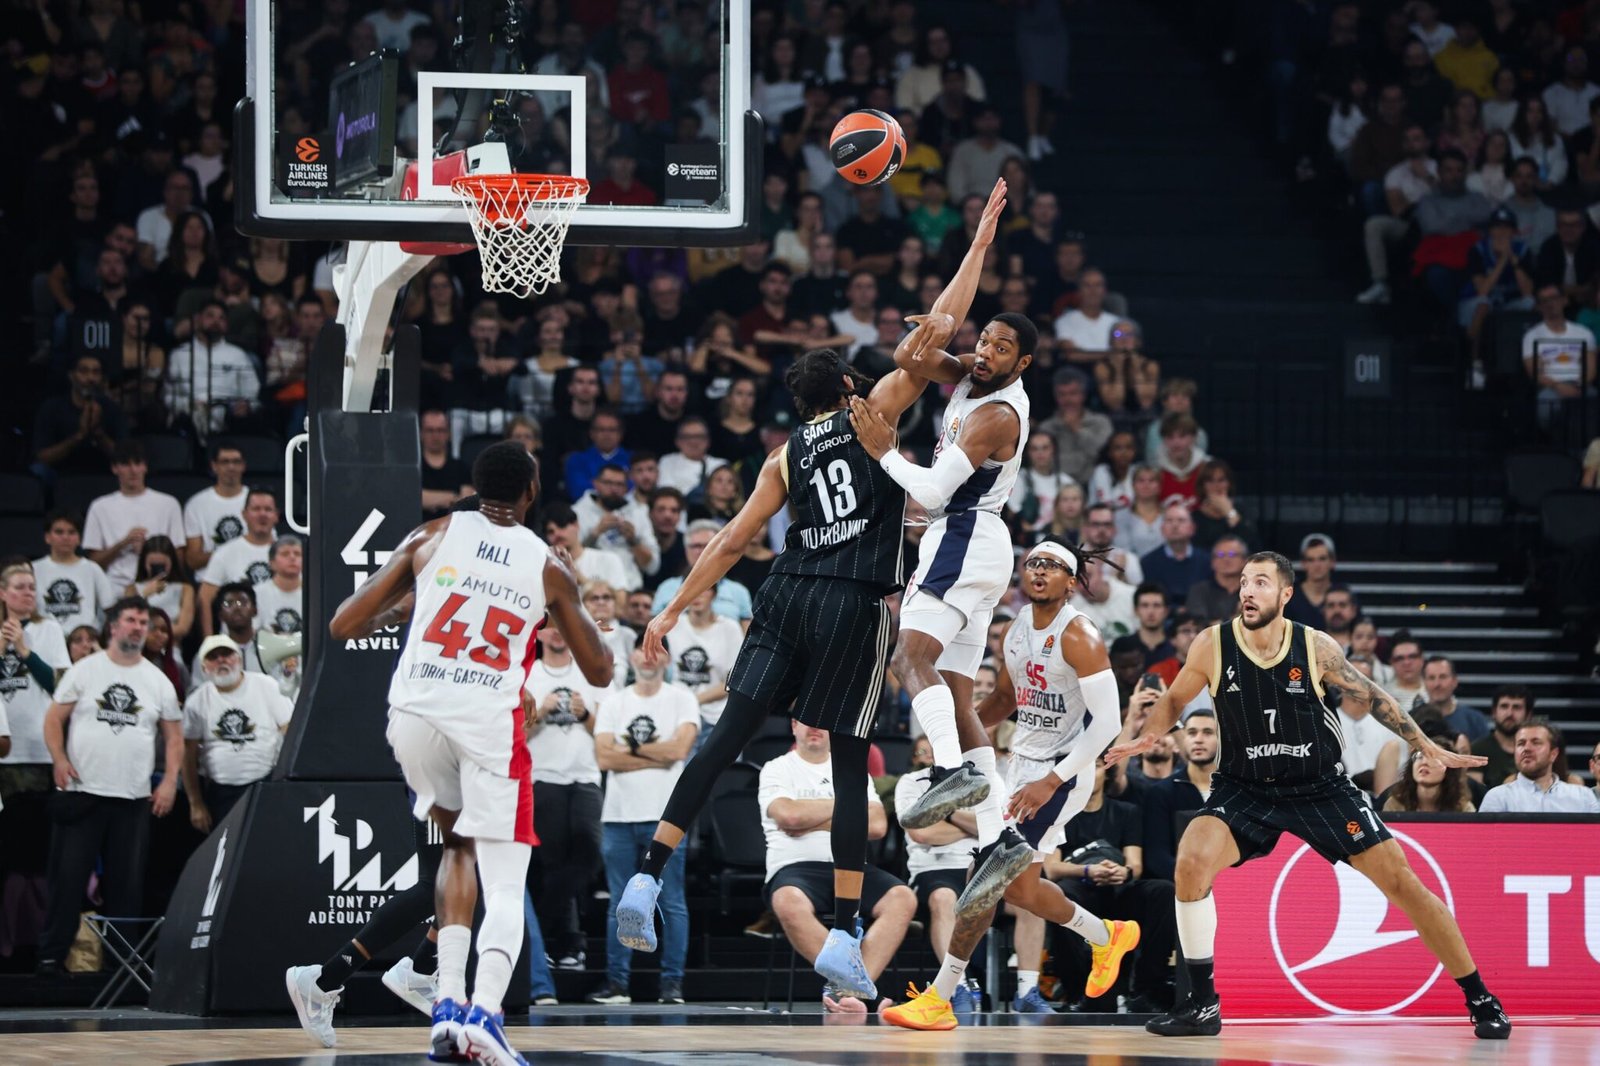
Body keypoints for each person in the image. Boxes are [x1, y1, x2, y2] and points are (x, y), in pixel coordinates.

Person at [1104, 551, 1510, 1040]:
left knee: (1404, 885)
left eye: (1260, 583)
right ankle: (1201, 1004)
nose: (1247, 591)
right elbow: (1173, 698)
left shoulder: (1314, 646)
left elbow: (1375, 698)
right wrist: (1148, 735)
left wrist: (1423, 743)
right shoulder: (1212, 643)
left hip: (1321, 788)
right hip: (1245, 787)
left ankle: (1479, 995)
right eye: (1244, 582)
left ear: (1286, 594)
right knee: (1191, 859)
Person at [302, 442, 612, 1065]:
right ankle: (487, 1017)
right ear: (530, 492)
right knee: (504, 881)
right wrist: (565, 593)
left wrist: (404, 612)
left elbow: (342, 624)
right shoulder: (546, 563)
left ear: (474, 487)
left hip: (413, 715)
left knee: (455, 851)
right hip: (484, 722)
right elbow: (600, 672)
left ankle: (444, 1007)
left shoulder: (431, 534)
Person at [845, 185, 1042, 926]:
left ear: (1024, 362)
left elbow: (928, 492)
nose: (985, 352)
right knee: (958, 699)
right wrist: (979, 247)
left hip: (962, 535)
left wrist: (880, 450)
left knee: (908, 658)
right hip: (979, 545)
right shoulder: (974, 375)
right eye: (983, 340)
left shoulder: (995, 413)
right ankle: (996, 839)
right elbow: (910, 353)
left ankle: (951, 773)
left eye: (999, 348)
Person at [884, 540, 1137, 1031]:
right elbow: (1004, 697)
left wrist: (1051, 781)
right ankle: (1107, 935)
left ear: (1071, 581)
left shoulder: (1079, 635)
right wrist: (952, 744)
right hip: (1021, 765)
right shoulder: (1017, 627)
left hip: (1063, 771)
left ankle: (941, 995)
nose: (1039, 572)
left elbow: (1107, 723)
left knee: (990, 874)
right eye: (1033, 564)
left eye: (1052, 566)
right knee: (1020, 891)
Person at [37, 597, 182, 975]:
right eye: (130, 620)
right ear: (113, 626)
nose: (137, 627)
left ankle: (121, 967)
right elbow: (53, 719)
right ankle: (51, 959)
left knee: (127, 887)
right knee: (68, 882)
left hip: (133, 798)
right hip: (83, 792)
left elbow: (175, 737)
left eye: (143, 622)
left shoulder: (157, 680)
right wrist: (58, 759)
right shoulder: (86, 670)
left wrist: (168, 782)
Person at [588, 643, 699, 1005]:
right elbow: (604, 757)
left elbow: (679, 751)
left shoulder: (682, 698)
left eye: (657, 651)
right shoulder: (615, 702)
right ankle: (617, 984)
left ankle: (672, 985)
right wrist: (655, 753)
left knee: (672, 902)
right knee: (618, 902)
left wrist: (630, 751)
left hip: (665, 819)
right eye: (642, 651)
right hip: (618, 815)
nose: (649, 657)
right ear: (632, 657)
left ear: (667, 659)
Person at [1043, 766, 1177, 1012]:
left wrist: (1121, 871)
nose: (1087, 773)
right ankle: (1081, 992)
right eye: (1081, 767)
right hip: (1080, 890)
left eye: (1094, 766)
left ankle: (1146, 989)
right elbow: (1052, 868)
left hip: (1118, 889)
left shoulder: (1126, 812)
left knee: (1163, 892)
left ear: (1106, 773)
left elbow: (1134, 864)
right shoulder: (1060, 815)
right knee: (1060, 894)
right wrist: (1087, 871)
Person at [523, 623, 608, 974]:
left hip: (586, 775)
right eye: (552, 627)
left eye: (563, 626)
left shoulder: (590, 671)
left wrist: (586, 715)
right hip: (543, 777)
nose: (559, 632)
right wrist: (539, 714)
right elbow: (514, 732)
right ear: (539, 634)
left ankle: (539, 934)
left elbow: (608, 730)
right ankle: (569, 946)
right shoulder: (527, 675)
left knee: (589, 851)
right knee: (554, 864)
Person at [893, 737, 982, 1012]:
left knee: (1030, 890)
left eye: (935, 745)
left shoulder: (978, 778)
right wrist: (970, 825)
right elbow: (921, 831)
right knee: (944, 898)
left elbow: (996, 825)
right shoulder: (910, 782)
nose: (930, 753)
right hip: (933, 869)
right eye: (923, 750)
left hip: (979, 863)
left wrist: (947, 813)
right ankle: (959, 987)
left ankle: (1028, 990)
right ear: (916, 758)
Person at [180, 633, 294, 831]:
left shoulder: (266, 685)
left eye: (227, 654)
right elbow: (187, 755)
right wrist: (195, 803)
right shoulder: (196, 702)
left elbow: (291, 732)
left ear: (240, 660)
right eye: (213, 657)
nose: (221, 660)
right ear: (204, 668)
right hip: (220, 793)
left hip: (266, 785)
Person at [82, 441, 185, 588]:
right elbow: (93, 562)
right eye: (125, 464)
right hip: (114, 585)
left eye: (137, 463)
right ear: (114, 468)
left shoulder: (169, 504)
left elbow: (179, 558)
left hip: (159, 584)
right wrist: (124, 543)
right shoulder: (99, 507)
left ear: (145, 467)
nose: (133, 470)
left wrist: (149, 550)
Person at [1138, 708, 1217, 882]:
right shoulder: (1161, 793)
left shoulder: (1236, 791)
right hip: (1179, 884)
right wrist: (1194, 879)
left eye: (1208, 733)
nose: (1198, 739)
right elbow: (1157, 856)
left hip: (1234, 884)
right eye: (1191, 733)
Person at [198, 488, 280, 637]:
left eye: (268, 509)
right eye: (256, 509)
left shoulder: (289, 553)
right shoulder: (225, 553)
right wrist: (210, 640)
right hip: (234, 640)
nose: (262, 514)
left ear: (276, 515)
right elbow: (205, 598)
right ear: (244, 514)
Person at [663, 587, 743, 738]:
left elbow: (734, 681)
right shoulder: (672, 625)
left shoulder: (729, 629)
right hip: (678, 716)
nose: (696, 596)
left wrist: (693, 700)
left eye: (704, 589)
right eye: (691, 590)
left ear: (714, 594)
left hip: (717, 716)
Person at [1478, 720, 1600, 813]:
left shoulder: (1583, 797)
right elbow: (1485, 844)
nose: (1526, 748)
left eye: (1536, 742)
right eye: (1521, 743)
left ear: (1553, 754)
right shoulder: (1497, 797)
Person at [573, 461, 658, 591]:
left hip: (631, 587)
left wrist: (633, 540)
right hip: (591, 588)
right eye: (608, 483)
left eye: (619, 484)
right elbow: (570, 559)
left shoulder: (638, 512)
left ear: (626, 488)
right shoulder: (578, 512)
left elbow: (652, 567)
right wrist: (595, 533)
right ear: (596, 483)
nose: (614, 489)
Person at [32, 511, 118, 637]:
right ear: (47, 537)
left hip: (85, 642)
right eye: (59, 532)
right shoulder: (33, 569)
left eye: (71, 532)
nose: (65, 537)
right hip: (45, 639)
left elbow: (110, 607)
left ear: (79, 539)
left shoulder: (92, 569)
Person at [182, 443, 248, 571]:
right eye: (225, 462)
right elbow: (192, 560)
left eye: (236, 462)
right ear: (214, 466)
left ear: (243, 466)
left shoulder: (259, 501)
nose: (231, 467)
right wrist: (230, 553)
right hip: (209, 582)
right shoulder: (196, 504)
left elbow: (268, 549)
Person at [1382, 741, 1477, 813]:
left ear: (1449, 769)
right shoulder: (1395, 804)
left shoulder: (1463, 808)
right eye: (1419, 756)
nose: (1424, 762)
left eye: (1434, 759)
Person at [1468, 687, 1530, 787]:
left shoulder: (1534, 751)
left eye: (1517, 707)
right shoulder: (1477, 750)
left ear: (1528, 715)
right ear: (1494, 712)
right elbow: (1476, 794)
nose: (1509, 713)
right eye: (1504, 706)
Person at [1420, 655, 1491, 742]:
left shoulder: (1475, 720)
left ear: (1455, 681)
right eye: (1431, 678)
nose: (1437, 684)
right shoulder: (1413, 720)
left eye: (1443, 677)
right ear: (1424, 682)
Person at [1183, 535, 1248, 624]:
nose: (1226, 559)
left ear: (1245, 560)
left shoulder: (1252, 591)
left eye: (1232, 554)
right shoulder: (1199, 591)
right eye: (1220, 555)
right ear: (1212, 562)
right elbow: (1198, 624)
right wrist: (1235, 619)